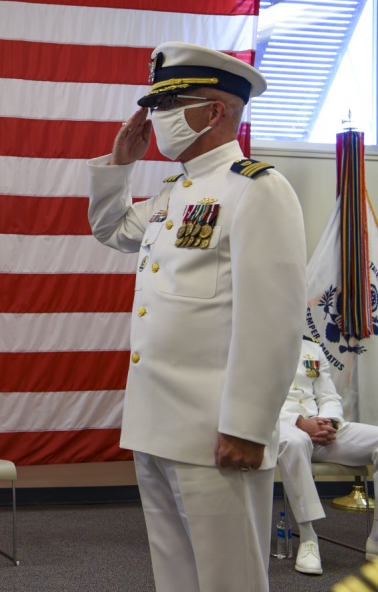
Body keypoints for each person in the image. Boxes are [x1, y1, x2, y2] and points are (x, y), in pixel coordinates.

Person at [87, 42, 307, 591]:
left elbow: (272, 322)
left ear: (214, 111)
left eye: (171, 103)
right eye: (156, 104)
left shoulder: (257, 189)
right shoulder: (173, 193)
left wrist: (247, 426)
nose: (157, 117)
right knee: (177, 575)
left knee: (229, 577)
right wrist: (122, 164)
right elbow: (111, 231)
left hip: (217, 432)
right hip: (157, 422)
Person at [277, 335, 378, 575]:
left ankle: (376, 538)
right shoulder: (248, 342)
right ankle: (308, 538)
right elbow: (252, 400)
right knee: (295, 440)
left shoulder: (311, 346)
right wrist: (299, 422)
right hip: (278, 427)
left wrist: (328, 422)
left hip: (320, 430)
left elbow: (328, 396)